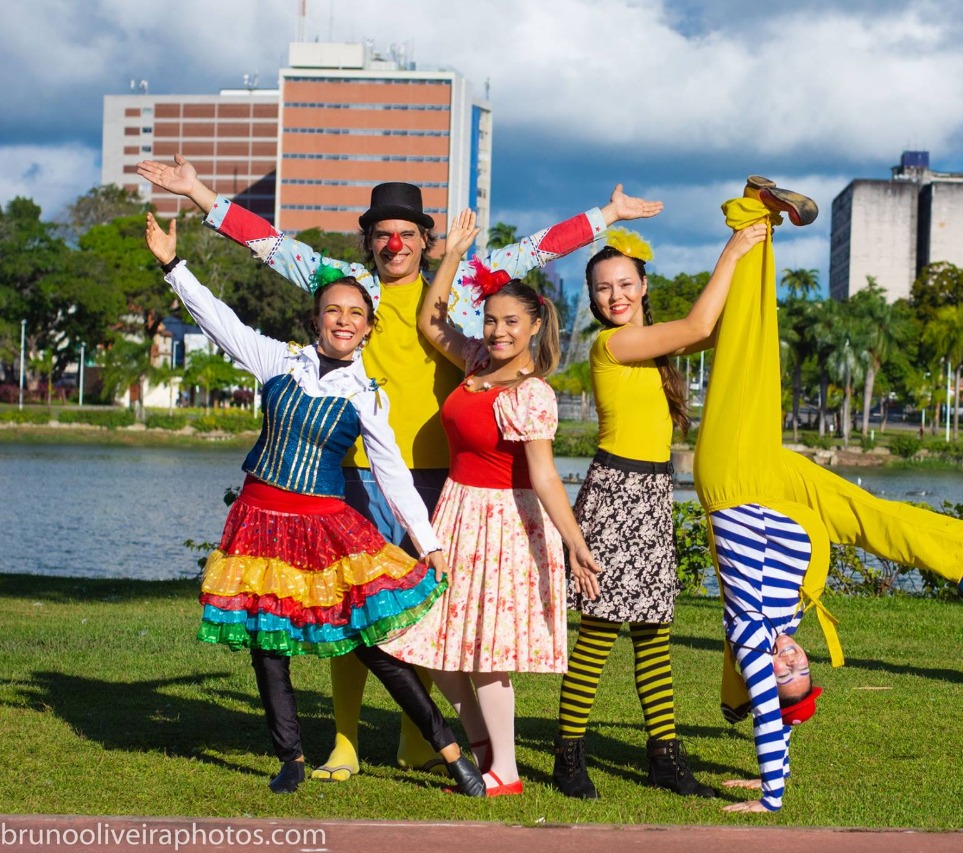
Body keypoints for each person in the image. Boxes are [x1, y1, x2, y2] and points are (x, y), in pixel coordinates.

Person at [136, 155, 661, 782]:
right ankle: (346, 742)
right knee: (350, 605)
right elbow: (269, 246)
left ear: (424, 241)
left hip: (442, 481)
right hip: (352, 474)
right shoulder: (347, 283)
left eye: (408, 233)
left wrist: (608, 215)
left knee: (420, 614)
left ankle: (419, 735)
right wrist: (196, 190)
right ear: (369, 241)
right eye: (384, 233)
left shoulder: (465, 283)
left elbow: (535, 250)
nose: (395, 244)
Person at [693, 177, 963, 813]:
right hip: (768, 490)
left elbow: (766, 697)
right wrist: (771, 760)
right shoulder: (781, 624)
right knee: (863, 514)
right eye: (799, 669)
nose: (791, 661)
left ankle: (754, 212)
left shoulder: (755, 641)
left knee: (749, 347)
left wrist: (769, 789)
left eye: (782, 674)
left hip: (739, 478)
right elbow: (775, 701)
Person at [142, 213, 485, 798]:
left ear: (369, 329)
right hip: (259, 521)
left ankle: (451, 751)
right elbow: (218, 320)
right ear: (317, 319)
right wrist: (175, 267)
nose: (344, 320)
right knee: (266, 642)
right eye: (334, 310)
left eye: (356, 313)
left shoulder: (366, 396)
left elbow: (394, 474)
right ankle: (291, 756)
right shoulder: (278, 361)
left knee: (370, 640)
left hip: (325, 527)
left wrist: (428, 544)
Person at [379, 210, 601, 796]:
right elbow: (430, 318)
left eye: (510, 323)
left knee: (485, 650)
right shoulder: (477, 364)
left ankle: (505, 768)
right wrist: (450, 253)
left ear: (533, 327)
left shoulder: (531, 393)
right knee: (436, 641)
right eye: (491, 320)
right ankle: (481, 747)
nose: (498, 331)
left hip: (503, 522)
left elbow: (546, 477)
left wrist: (575, 544)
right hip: (454, 513)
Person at [550, 222, 767, 800]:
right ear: (593, 300)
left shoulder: (656, 349)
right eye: (602, 288)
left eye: (624, 284)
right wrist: (734, 248)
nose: (614, 296)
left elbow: (718, 330)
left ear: (644, 286)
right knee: (598, 632)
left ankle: (664, 760)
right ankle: (567, 757)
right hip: (617, 493)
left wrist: (754, 263)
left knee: (653, 634)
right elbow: (700, 324)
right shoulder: (610, 345)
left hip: (650, 494)